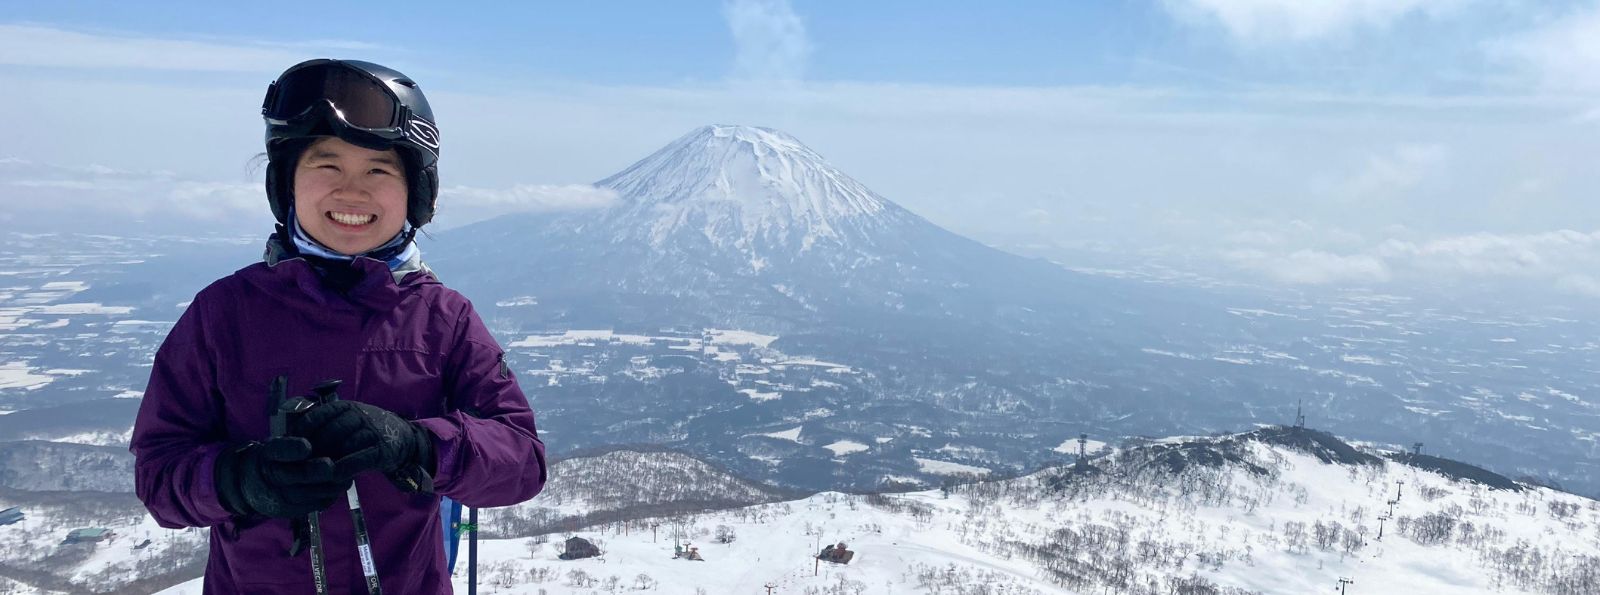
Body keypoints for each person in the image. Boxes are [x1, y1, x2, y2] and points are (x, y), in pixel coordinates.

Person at [129, 58, 547, 594]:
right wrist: (242, 480)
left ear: (415, 192)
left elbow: (522, 462)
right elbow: (160, 476)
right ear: (287, 183)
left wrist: (416, 444)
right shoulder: (223, 315)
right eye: (326, 166)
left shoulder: (443, 319)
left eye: (379, 170)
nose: (352, 192)